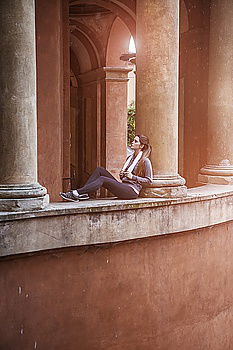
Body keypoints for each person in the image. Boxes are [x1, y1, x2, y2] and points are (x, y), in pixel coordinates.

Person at [60, 135, 153, 202]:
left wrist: (133, 177)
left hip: (131, 191)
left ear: (141, 146)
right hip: (124, 186)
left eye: (135, 141)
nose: (132, 142)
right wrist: (122, 175)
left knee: (103, 179)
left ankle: (75, 193)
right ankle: (85, 193)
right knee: (99, 170)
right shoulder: (129, 158)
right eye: (133, 140)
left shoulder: (145, 161)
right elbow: (124, 177)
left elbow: (149, 181)